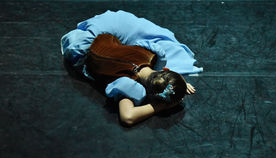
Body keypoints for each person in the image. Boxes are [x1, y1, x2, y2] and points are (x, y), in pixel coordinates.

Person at [61, 10, 203, 125]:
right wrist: (160, 106)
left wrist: (176, 80)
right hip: (81, 55)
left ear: (165, 70)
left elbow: (166, 72)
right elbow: (128, 117)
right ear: (149, 95)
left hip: (104, 38)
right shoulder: (127, 83)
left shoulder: (150, 53)